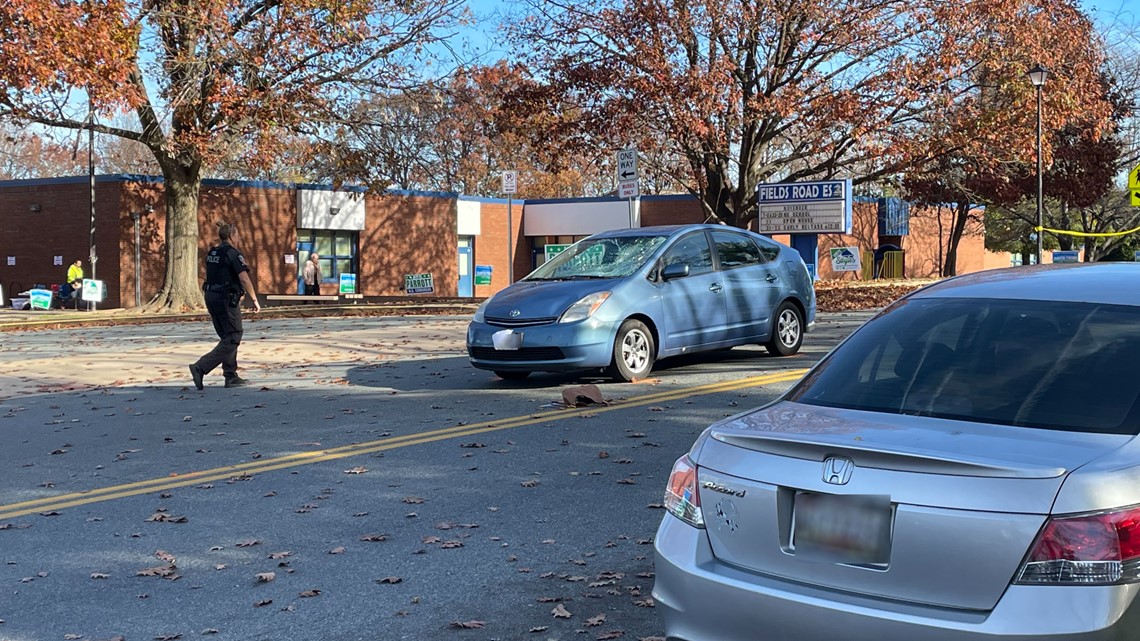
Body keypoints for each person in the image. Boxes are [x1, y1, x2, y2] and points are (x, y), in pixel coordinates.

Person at [189, 222, 260, 390]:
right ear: (230, 236)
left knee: (227, 337)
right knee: (234, 335)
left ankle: (230, 376)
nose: (239, 237)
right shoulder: (233, 254)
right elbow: (244, 278)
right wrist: (255, 299)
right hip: (225, 298)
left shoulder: (212, 253)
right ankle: (200, 367)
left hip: (211, 296)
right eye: (237, 235)